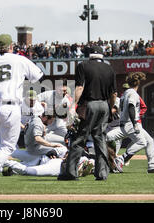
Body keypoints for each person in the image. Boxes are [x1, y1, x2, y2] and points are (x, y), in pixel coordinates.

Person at [0, 34, 44, 190]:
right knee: (9, 146)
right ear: (11, 46)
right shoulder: (19, 59)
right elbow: (38, 77)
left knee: (1, 142)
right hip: (10, 106)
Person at [58, 45, 117, 181]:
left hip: (89, 105)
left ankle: (71, 173)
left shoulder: (83, 66)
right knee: (100, 139)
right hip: (104, 105)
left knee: (79, 138)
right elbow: (114, 93)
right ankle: (102, 173)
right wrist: (110, 108)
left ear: (89, 54)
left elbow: (79, 87)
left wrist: (73, 105)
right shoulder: (109, 68)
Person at [109, 72, 154, 174]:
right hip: (130, 123)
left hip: (124, 122)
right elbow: (131, 106)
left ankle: (152, 166)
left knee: (149, 141)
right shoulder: (133, 93)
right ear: (138, 83)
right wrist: (135, 123)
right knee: (142, 142)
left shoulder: (125, 93)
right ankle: (121, 159)